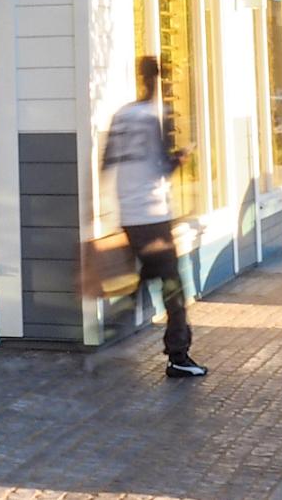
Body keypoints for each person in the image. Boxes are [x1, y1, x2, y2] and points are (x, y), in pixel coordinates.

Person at [101, 56, 207, 378]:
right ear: (158, 80)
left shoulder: (120, 115)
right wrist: (182, 158)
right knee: (172, 284)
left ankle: (110, 334)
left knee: (149, 275)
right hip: (153, 212)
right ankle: (178, 356)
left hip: (129, 213)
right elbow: (162, 166)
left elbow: (106, 163)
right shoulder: (152, 116)